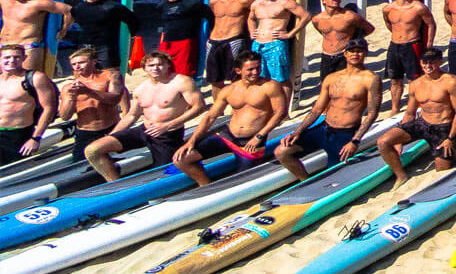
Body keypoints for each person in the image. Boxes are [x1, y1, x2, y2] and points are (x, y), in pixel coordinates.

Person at [177, 51, 289, 186]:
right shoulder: (229, 90)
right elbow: (210, 116)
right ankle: (207, 187)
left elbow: (280, 113)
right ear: (238, 70)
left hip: (251, 141)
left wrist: (259, 136)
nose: (255, 72)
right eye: (250, 69)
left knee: (242, 182)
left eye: (258, 68)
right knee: (181, 159)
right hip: (228, 136)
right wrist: (191, 141)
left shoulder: (270, 86)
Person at [88, 49, 203, 178]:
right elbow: (132, 116)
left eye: (160, 64)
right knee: (93, 150)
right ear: (145, 68)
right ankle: (115, 185)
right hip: (144, 131)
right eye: (151, 65)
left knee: (164, 174)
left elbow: (199, 107)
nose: (156, 68)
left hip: (167, 135)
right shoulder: (141, 89)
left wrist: (168, 125)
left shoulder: (181, 82)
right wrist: (112, 135)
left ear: (168, 65)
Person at [279, 41, 378, 177]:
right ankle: (305, 180)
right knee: (282, 152)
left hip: (345, 133)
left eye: (359, 51)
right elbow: (317, 109)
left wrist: (355, 141)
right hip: (323, 129)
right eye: (351, 51)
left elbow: (372, 113)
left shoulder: (371, 79)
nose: (355, 54)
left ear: (365, 53)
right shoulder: (331, 78)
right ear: (345, 54)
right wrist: (297, 132)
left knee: (333, 174)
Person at [373, 48, 456, 180]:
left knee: (441, 171)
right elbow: (410, 113)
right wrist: (399, 141)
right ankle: (401, 176)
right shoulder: (416, 84)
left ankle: (455, 153)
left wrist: (450, 138)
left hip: (443, 128)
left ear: (440, 62)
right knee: (383, 142)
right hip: (422, 123)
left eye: (432, 62)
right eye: (425, 62)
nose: (428, 66)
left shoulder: (451, 81)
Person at [57, 47, 128, 155]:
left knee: (122, 159)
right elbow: (65, 116)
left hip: (111, 127)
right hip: (86, 131)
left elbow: (115, 98)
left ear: (94, 61)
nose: (77, 66)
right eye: (74, 64)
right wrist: (72, 98)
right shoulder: (68, 87)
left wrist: (89, 92)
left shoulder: (111, 76)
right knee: (81, 165)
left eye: (81, 62)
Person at [381, 0, 436, 112]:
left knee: (414, 79)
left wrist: (429, 43)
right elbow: (389, 24)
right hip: (394, 46)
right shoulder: (388, 8)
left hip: (412, 45)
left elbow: (431, 24)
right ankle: (395, 107)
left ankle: (413, 106)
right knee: (395, 79)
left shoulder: (418, 7)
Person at [306, 0, 374, 90]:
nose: (336, 0)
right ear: (324, 1)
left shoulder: (350, 16)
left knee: (345, 87)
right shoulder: (317, 19)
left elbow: (369, 28)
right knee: (326, 86)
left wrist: (353, 41)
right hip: (326, 56)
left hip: (343, 54)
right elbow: (324, 33)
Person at [0, 43, 59, 160]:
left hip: (17, 134)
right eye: (7, 57)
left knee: (13, 172)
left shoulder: (35, 78)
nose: (12, 60)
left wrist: (35, 138)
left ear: (24, 58)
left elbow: (49, 108)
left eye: (17, 57)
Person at [63, 0, 137, 70]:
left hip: (106, 48)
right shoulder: (78, 8)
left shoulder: (113, 7)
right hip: (84, 46)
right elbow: (69, 20)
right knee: (83, 74)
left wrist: (132, 35)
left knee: (110, 74)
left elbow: (133, 20)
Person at [0, 0, 71, 70]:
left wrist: (64, 29)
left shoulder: (38, 2)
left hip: (28, 46)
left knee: (28, 79)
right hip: (4, 45)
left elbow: (69, 10)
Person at [141, 0, 209, 76]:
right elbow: (163, 26)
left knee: (183, 74)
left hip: (185, 43)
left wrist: (209, 37)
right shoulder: (161, 5)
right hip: (166, 43)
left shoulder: (192, 3)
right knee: (162, 72)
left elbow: (211, 18)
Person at [247, 0, 306, 84]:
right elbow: (251, 19)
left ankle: (283, 101)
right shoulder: (256, 4)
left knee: (280, 79)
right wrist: (251, 31)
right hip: (258, 44)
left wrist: (290, 34)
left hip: (275, 44)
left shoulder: (283, 1)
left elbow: (305, 16)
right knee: (259, 78)